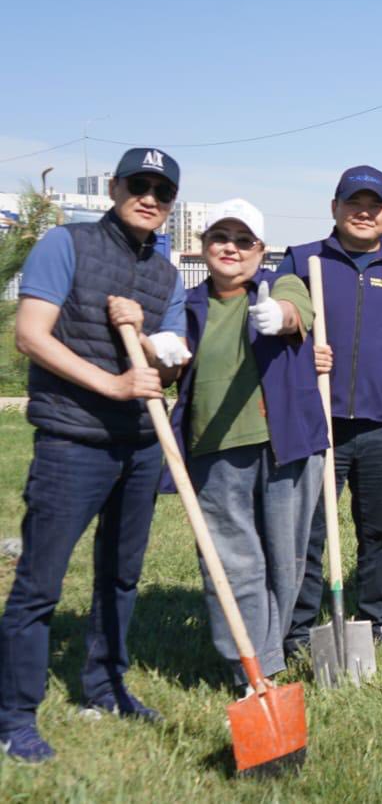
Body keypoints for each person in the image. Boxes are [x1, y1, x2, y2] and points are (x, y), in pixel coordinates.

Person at [1, 148, 190, 761]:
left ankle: (104, 686)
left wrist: (150, 339)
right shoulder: (67, 244)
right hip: (72, 440)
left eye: (162, 191)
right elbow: (29, 335)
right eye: (139, 184)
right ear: (114, 187)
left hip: (138, 445)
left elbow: (168, 357)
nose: (150, 198)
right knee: (40, 584)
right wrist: (109, 383)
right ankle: (14, 716)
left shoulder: (165, 272)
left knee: (120, 575)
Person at [169, 199, 332, 686]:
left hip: (289, 445)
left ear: (260, 249)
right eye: (221, 238)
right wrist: (161, 350)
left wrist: (279, 316)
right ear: (203, 247)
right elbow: (168, 363)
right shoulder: (189, 306)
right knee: (233, 563)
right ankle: (251, 669)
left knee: (285, 562)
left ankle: (267, 659)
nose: (231, 249)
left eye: (243, 241)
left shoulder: (279, 283)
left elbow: (297, 307)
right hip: (214, 452)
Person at [283, 165, 382, 650]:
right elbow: (276, 329)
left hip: (381, 425)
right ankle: (300, 628)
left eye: (375, 206)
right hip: (316, 425)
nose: (364, 213)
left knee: (378, 532)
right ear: (335, 208)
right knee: (309, 534)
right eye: (354, 203)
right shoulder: (304, 261)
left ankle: (375, 621)